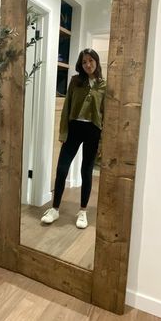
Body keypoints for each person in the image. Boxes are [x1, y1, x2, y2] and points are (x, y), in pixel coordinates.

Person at [41, 48, 106, 228]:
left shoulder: (103, 85)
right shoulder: (75, 81)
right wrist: (63, 133)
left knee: (86, 172)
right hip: (74, 128)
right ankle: (54, 209)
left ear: (96, 62)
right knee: (62, 169)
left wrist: (102, 140)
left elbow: (105, 113)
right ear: (81, 64)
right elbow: (67, 108)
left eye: (91, 61)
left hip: (93, 130)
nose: (88, 65)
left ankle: (83, 211)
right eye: (84, 62)